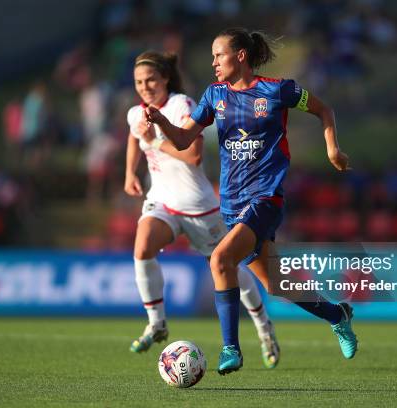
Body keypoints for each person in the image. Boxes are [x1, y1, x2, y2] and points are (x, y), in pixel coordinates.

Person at [145, 28, 358, 375]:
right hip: (232, 204)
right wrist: (162, 122)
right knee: (276, 285)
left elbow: (324, 110)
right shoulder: (214, 96)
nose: (213, 62)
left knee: (220, 259)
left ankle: (231, 348)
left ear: (240, 56)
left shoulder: (278, 90)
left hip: (265, 199)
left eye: (219, 55)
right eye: (212, 56)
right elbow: (184, 140)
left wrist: (332, 148)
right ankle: (338, 315)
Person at [125, 50, 281, 369]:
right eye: (139, 82)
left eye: (151, 79)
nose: (145, 86)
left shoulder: (181, 105)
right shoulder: (135, 112)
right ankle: (157, 323)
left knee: (232, 268)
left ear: (165, 78)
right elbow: (134, 136)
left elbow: (193, 156)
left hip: (198, 207)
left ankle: (264, 327)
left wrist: (153, 142)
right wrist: (129, 172)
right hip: (162, 201)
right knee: (142, 248)